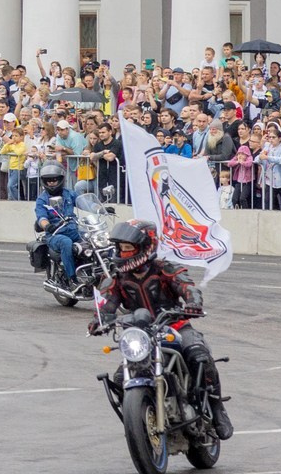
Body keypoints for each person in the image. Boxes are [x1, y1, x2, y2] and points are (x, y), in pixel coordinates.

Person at [89, 217, 233, 440]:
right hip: (141, 334)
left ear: (146, 246)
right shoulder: (117, 279)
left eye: (128, 248)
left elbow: (187, 286)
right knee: (119, 379)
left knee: (198, 354)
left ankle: (216, 410)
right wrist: (99, 320)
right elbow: (107, 303)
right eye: (121, 248)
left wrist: (193, 302)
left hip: (173, 325)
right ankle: (138, 421)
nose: (123, 253)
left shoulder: (164, 269)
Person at [34, 169, 83, 283]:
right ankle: (72, 278)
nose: (51, 183)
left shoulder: (69, 194)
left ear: (60, 180)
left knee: (95, 238)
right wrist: (47, 226)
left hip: (73, 229)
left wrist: (100, 208)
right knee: (66, 242)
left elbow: (84, 203)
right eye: (48, 180)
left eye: (54, 180)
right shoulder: (42, 199)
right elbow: (41, 218)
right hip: (55, 233)